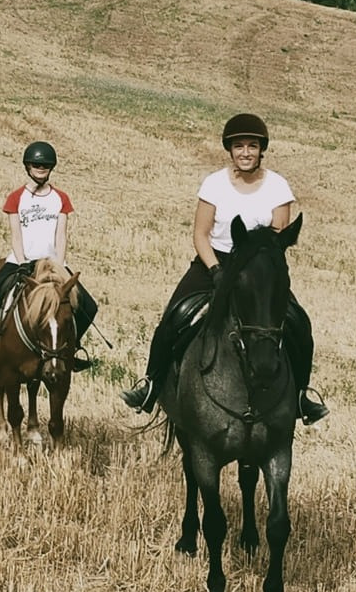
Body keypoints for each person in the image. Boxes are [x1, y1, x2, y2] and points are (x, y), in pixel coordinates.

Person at [120, 113, 326, 424]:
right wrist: (217, 271)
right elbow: (200, 234)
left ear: (261, 150)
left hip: (259, 272)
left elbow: (277, 237)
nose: (245, 152)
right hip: (214, 262)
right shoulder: (214, 183)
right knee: (174, 316)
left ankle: (300, 397)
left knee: (299, 324)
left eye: (252, 146)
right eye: (239, 146)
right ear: (230, 150)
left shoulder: (278, 187)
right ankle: (151, 384)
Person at [0, 141, 99, 369]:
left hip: (53, 262)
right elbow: (16, 234)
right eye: (36, 165)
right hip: (21, 260)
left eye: (45, 166)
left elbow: (61, 236)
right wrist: (22, 261)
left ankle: (72, 348)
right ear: (27, 166)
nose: (41, 168)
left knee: (89, 306)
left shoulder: (61, 199)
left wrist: (58, 264)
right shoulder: (16, 198)